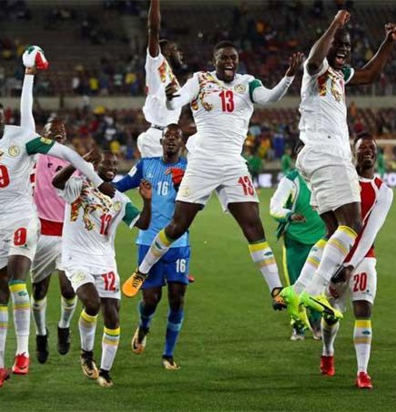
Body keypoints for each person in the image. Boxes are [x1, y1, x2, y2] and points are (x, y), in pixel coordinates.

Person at [0, 47, 113, 390]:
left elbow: (63, 150)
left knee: (17, 278)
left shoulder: (21, 137)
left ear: (3, 118)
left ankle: (22, 352)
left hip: (24, 219)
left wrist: (97, 179)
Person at [121, 40, 303, 310]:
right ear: (214, 60)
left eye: (233, 57)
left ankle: (276, 288)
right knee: (177, 225)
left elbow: (270, 97)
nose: (229, 62)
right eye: (224, 58)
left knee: (254, 226)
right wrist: (172, 96)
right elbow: (179, 99)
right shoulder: (200, 80)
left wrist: (289, 75)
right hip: (203, 162)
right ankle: (143, 270)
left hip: (233, 164)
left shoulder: (248, 83)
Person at [278, 10, 396, 323]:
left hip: (316, 155)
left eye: (347, 46)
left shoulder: (338, 75)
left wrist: (388, 41)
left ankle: (297, 288)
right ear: (327, 45)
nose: (343, 49)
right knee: (353, 225)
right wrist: (334, 26)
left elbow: (370, 74)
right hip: (326, 152)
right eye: (338, 45)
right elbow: (312, 60)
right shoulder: (316, 70)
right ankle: (317, 290)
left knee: (333, 230)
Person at [53, 151, 152, 387]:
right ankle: (86, 354)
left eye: (115, 164)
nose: (112, 167)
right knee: (92, 303)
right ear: (93, 165)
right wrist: (79, 163)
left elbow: (144, 223)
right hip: (76, 257)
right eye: (106, 163)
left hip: (105, 260)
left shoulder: (119, 198)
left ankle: (105, 371)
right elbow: (57, 182)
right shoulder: (78, 185)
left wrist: (147, 200)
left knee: (112, 315)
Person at [115, 124, 190, 369]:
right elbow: (123, 184)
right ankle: (144, 326)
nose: (170, 140)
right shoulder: (146, 164)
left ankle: (168, 354)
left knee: (177, 298)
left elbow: (196, 200)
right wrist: (97, 186)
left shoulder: (189, 169)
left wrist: (183, 187)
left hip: (178, 243)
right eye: (167, 137)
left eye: (175, 137)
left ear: (181, 143)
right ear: (161, 142)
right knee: (151, 299)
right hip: (148, 240)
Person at [322, 133, 393, 390]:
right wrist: (335, 260)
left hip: (363, 258)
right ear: (354, 152)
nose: (366, 152)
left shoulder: (383, 190)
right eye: (361, 148)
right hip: (336, 255)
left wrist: (351, 265)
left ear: (376, 153)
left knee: (364, 310)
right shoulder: (342, 181)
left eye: (371, 148)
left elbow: (370, 231)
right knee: (332, 315)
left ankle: (363, 372)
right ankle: (328, 350)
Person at [20, 55, 77, 364]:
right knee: (39, 290)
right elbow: (25, 114)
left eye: (60, 131)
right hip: (40, 232)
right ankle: (41, 334)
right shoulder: (33, 155)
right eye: (51, 130)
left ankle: (64, 326)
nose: (56, 134)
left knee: (70, 289)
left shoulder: (74, 162)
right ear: (43, 133)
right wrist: (29, 74)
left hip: (68, 233)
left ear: (65, 136)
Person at [270, 144, 325, 341]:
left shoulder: (324, 177)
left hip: (321, 239)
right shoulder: (291, 180)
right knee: (295, 286)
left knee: (318, 284)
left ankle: (317, 322)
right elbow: (274, 207)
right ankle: (298, 326)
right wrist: (290, 215)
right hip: (295, 241)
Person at [137, 0, 184, 158]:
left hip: (165, 134)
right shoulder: (156, 62)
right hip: (157, 137)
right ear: (168, 52)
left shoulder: (170, 74)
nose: (180, 54)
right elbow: (154, 30)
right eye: (176, 49)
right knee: (159, 180)